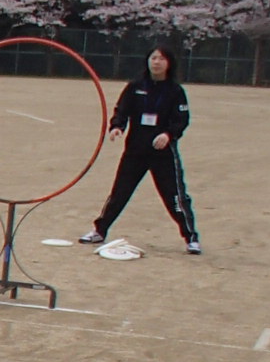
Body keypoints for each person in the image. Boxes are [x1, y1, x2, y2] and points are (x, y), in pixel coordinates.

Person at [79, 46, 202, 254]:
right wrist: (117, 126)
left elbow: (182, 120)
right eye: (153, 58)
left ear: (169, 63)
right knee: (119, 192)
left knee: (175, 197)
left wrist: (168, 135)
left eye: (161, 59)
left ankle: (191, 237)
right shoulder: (135, 87)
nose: (156, 62)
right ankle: (99, 230)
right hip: (135, 150)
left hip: (163, 153)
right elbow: (122, 110)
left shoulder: (175, 91)